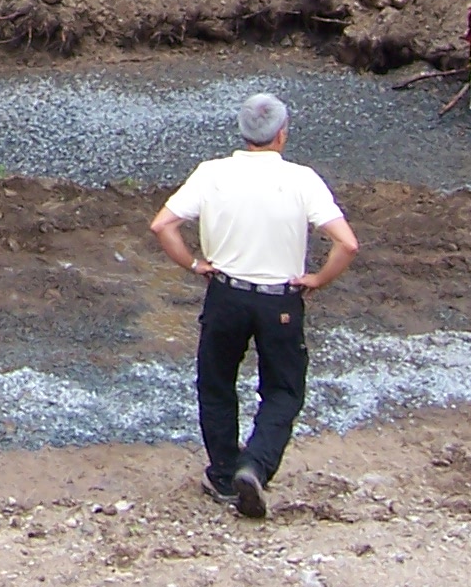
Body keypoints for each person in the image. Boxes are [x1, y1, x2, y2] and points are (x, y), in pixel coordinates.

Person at [149, 91, 361, 519]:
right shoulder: (302, 179)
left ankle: (224, 473)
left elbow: (163, 224)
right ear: (281, 134)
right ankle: (257, 464)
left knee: (217, 383)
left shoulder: (212, 173)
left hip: (225, 293)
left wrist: (193, 263)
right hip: (279, 299)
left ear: (244, 133)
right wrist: (318, 279)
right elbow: (347, 243)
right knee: (283, 389)